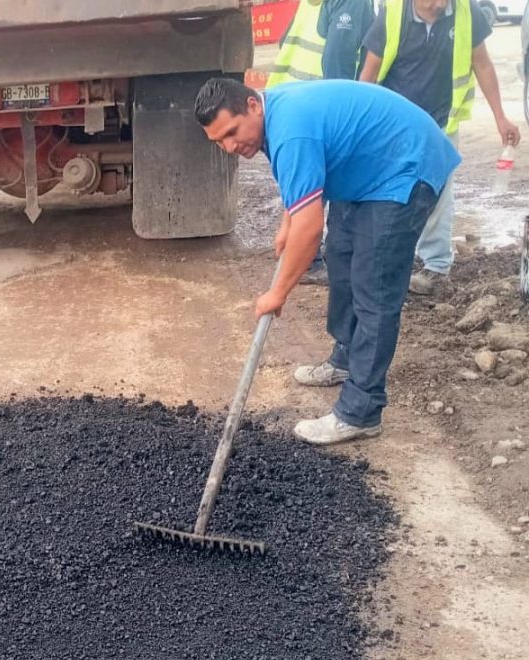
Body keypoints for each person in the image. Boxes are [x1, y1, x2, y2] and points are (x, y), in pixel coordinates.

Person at [195, 78, 460, 445]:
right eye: (219, 141)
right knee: (342, 258)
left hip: (403, 166)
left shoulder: (290, 132)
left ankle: (361, 411)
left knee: (375, 288)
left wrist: (278, 292)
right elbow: (303, 186)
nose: (229, 147)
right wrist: (289, 217)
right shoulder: (272, 119)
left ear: (253, 106)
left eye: (231, 133)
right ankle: (345, 359)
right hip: (365, 169)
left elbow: (310, 229)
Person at [359, 0, 521, 296]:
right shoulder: (393, 14)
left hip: (442, 123)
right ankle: (389, 263)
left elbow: (481, 62)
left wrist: (500, 117)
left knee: (438, 194)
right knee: (394, 194)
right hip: (397, 125)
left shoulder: (464, 11)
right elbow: (368, 73)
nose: (442, 3)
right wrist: (361, 125)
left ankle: (435, 266)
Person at [267, 0, 376, 286]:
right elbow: (338, 58)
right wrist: (342, 114)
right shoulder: (352, 4)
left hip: (291, 103)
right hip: (319, 111)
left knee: (303, 184)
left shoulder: (312, 3)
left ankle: (305, 254)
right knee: (321, 186)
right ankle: (312, 259)